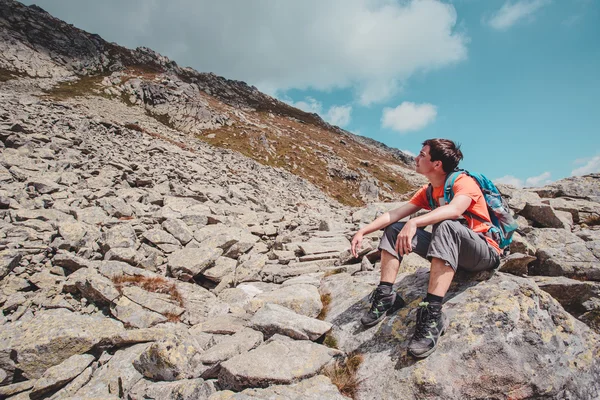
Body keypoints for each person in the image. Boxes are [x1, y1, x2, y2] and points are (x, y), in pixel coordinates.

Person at [350, 138, 501, 358]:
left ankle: (432, 314)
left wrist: (415, 222)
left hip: (483, 252)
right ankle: (385, 295)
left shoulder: (463, 182)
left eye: (422, 154)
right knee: (394, 228)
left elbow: (455, 209)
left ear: (437, 164)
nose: (416, 158)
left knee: (446, 223)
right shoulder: (429, 190)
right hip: (453, 252)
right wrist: (363, 231)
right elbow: (394, 214)